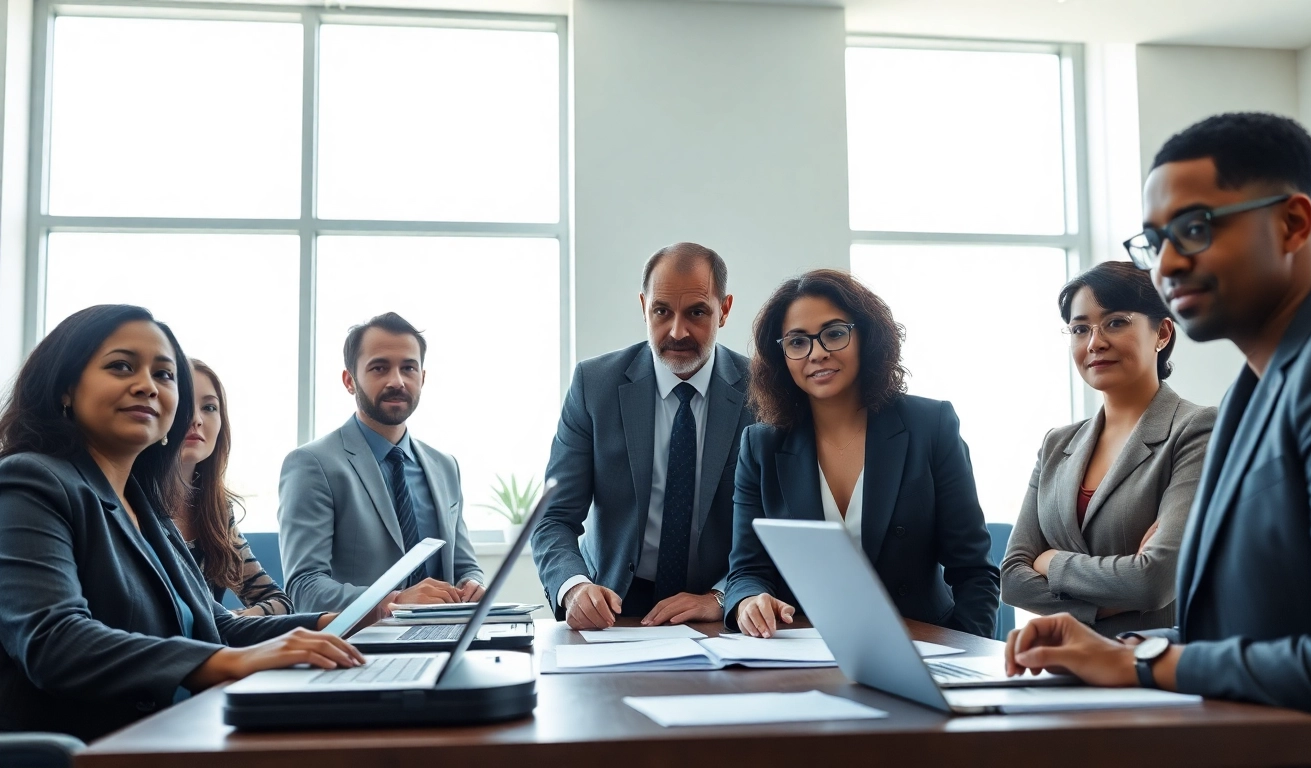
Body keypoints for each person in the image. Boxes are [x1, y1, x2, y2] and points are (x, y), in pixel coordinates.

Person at [1005, 113, 1311, 762]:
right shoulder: (1255, 387)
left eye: (1194, 230)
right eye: (1154, 241)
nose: (1167, 264)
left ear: (1293, 224)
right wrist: (1115, 650)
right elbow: (1251, 624)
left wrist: (1141, 666)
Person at [0, 305, 363, 742]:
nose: (147, 387)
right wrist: (226, 662)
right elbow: (56, 642)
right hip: (103, 748)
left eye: (164, 375)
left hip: (184, 732)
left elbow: (218, 625)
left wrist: (341, 622)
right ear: (65, 388)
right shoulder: (29, 481)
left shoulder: (144, 505)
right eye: (121, 366)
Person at [726, 269, 1000, 638]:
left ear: (866, 336)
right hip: (806, 649)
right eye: (797, 342)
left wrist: (968, 658)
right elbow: (747, 570)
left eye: (834, 334)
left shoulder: (930, 425)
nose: (818, 353)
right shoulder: (761, 446)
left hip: (924, 644)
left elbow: (973, 572)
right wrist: (749, 601)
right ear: (781, 357)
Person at [532, 243, 754, 629]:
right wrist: (573, 586)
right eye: (662, 311)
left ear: (725, 310)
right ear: (643, 307)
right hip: (614, 603)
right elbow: (553, 518)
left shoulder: (761, 392)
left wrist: (722, 597)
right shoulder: (594, 385)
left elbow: (774, 524)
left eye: (697, 312)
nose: (677, 331)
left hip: (715, 605)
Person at [1001, 262, 1216, 635]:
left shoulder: (1196, 430)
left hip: (1153, 669)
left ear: (1162, 333)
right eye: (1080, 329)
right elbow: (1012, 578)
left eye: (1115, 322)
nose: (1094, 343)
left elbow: (1153, 580)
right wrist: (1102, 605)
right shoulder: (1057, 444)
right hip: (1065, 665)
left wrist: (1051, 561)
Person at [279, 312, 484, 613]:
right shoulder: (312, 465)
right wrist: (395, 602)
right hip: (360, 651)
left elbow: (465, 566)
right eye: (379, 367)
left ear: (422, 378)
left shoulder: (445, 467)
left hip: (446, 641)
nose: (397, 381)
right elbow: (304, 588)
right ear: (350, 380)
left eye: (408, 368)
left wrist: (473, 585)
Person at [174, 359, 293, 616]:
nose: (195, 419)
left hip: (213, 651)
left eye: (209, 407)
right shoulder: (133, 507)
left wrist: (231, 621)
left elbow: (278, 601)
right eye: (181, 404)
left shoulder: (215, 509)